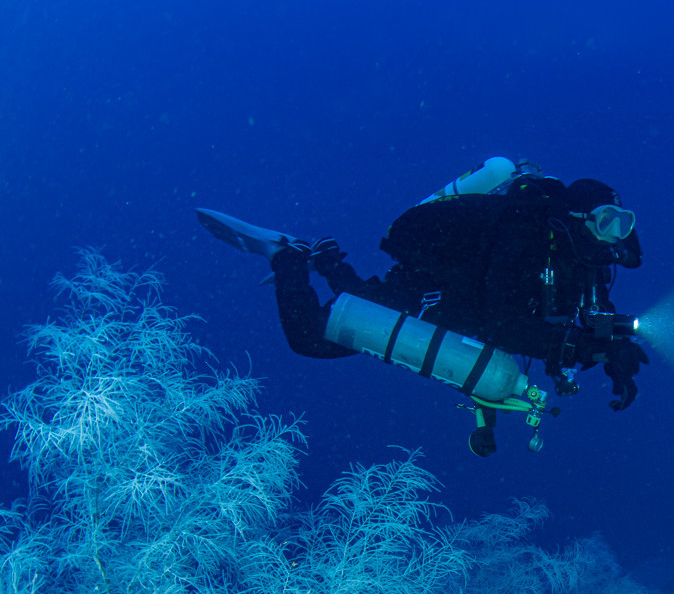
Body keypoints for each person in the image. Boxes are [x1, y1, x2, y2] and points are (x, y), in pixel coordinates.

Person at [263, 169, 649, 456]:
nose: (613, 235)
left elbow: (593, 314)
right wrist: (588, 349)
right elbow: (506, 327)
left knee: (364, 304)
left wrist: (613, 352)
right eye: (606, 221)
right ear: (579, 218)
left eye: (621, 223)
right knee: (313, 337)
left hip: (465, 310)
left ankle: (329, 260)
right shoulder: (524, 233)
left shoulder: (588, 260)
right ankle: (288, 259)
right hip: (437, 289)